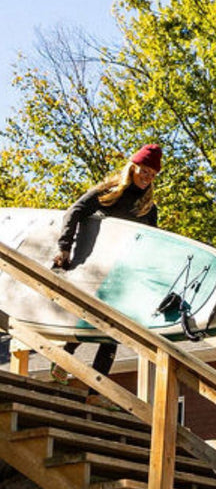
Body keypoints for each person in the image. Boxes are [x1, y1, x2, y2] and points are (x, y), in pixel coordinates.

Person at [50, 143, 163, 400]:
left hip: (124, 275)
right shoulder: (108, 192)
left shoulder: (148, 208)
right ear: (133, 167)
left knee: (114, 333)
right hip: (96, 268)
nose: (147, 178)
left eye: (153, 175)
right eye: (145, 171)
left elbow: (153, 242)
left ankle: (95, 392)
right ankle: (63, 357)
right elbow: (74, 211)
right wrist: (65, 247)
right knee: (91, 319)